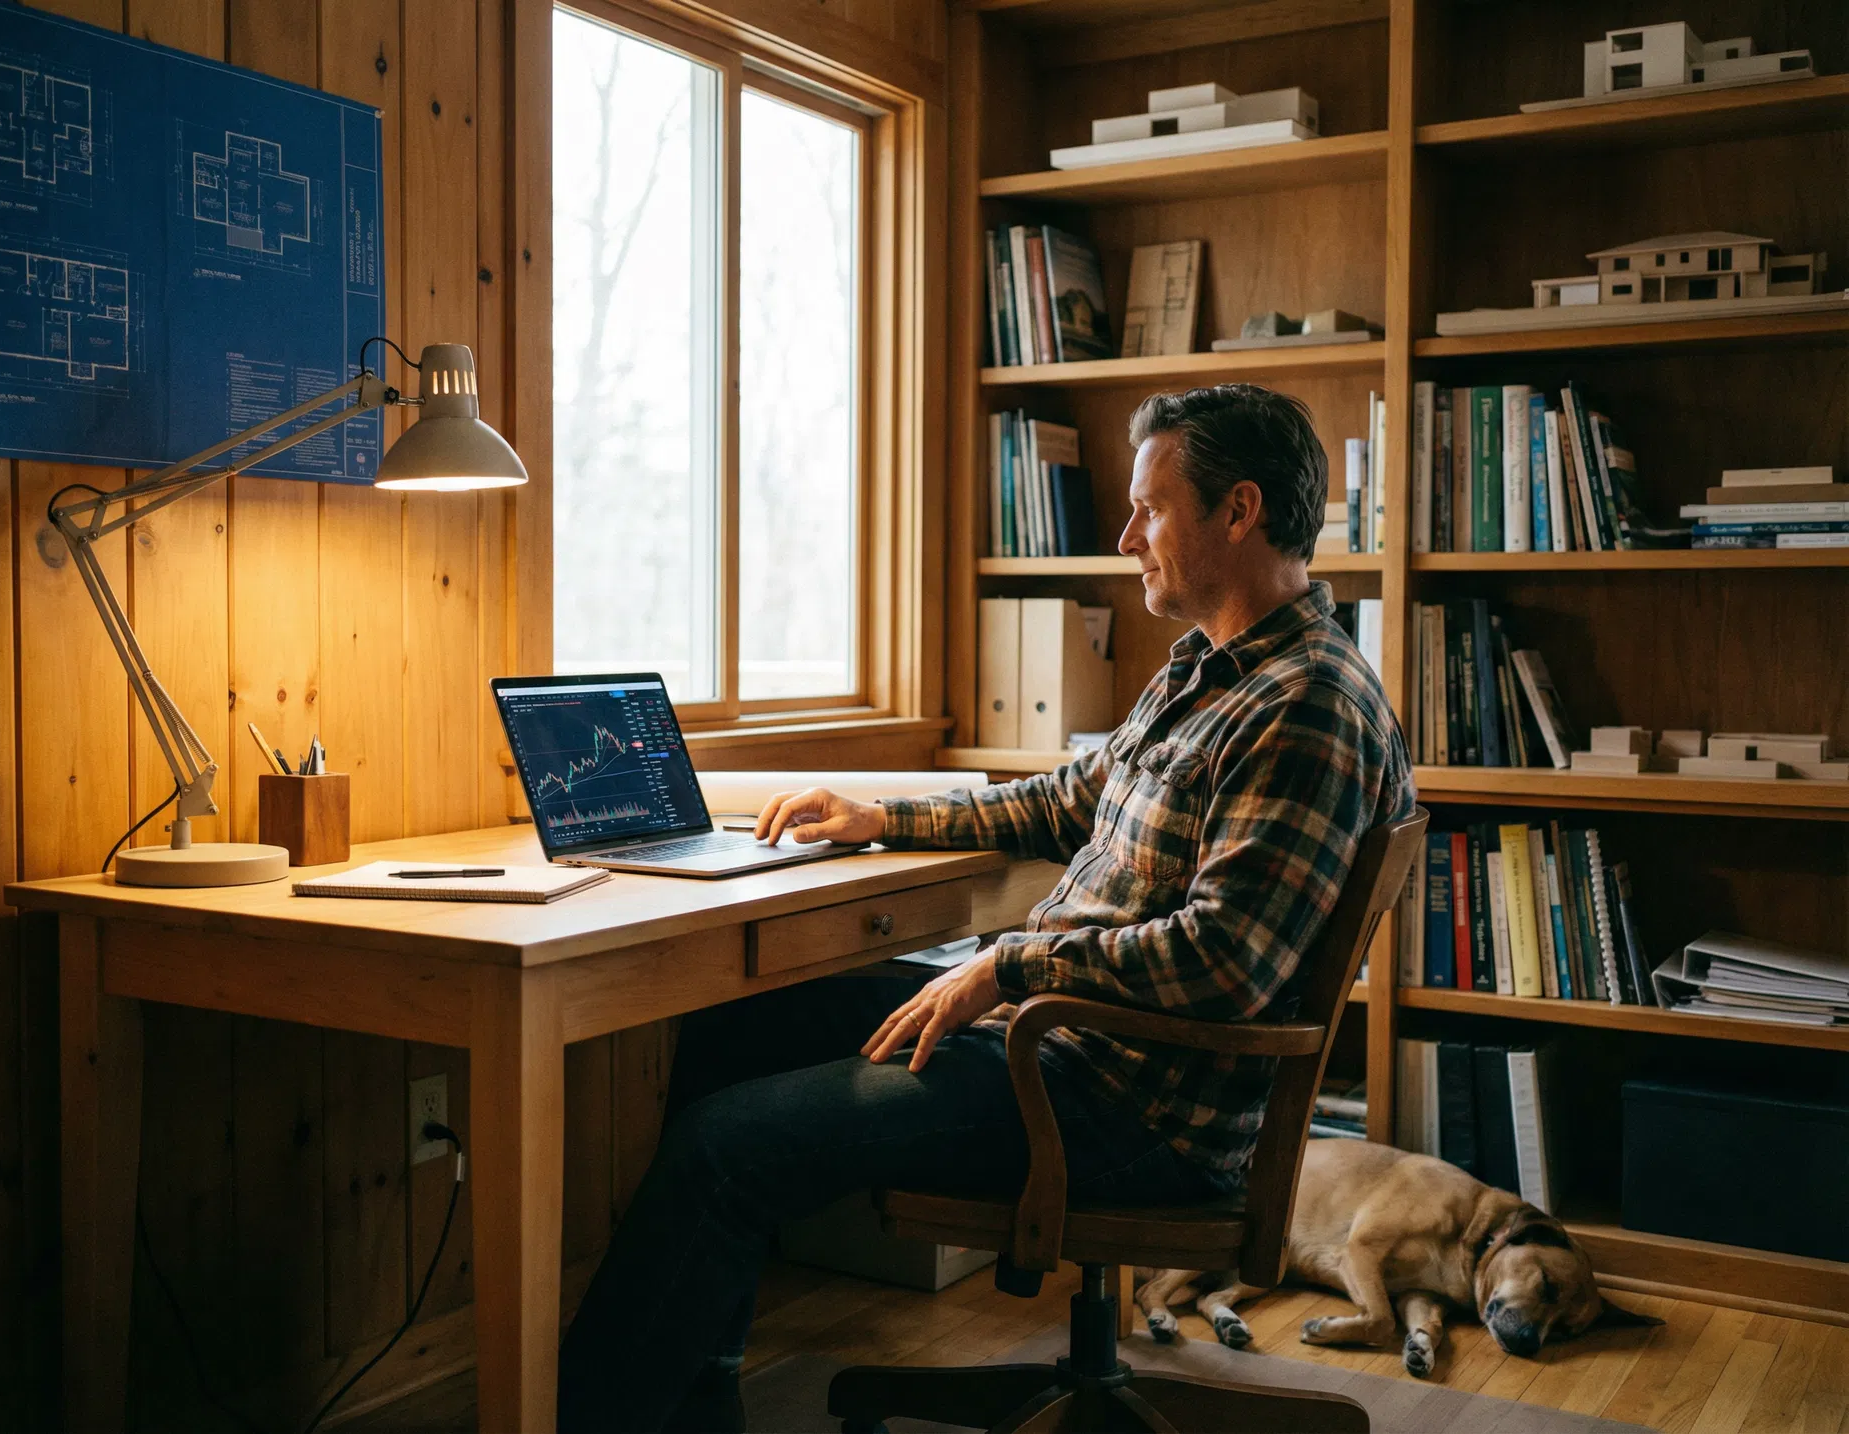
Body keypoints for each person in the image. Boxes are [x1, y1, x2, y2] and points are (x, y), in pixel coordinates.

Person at [556, 384, 1415, 1432]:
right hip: (1065, 1047)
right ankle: (694, 1400)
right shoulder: (1212, 672)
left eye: (1151, 508)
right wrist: (884, 817)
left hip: (1121, 1100)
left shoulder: (1305, 705)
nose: (1126, 534)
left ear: (1239, 511)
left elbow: (1223, 959)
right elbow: (1069, 800)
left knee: (720, 1151)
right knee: (737, 1022)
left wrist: (1008, 971)